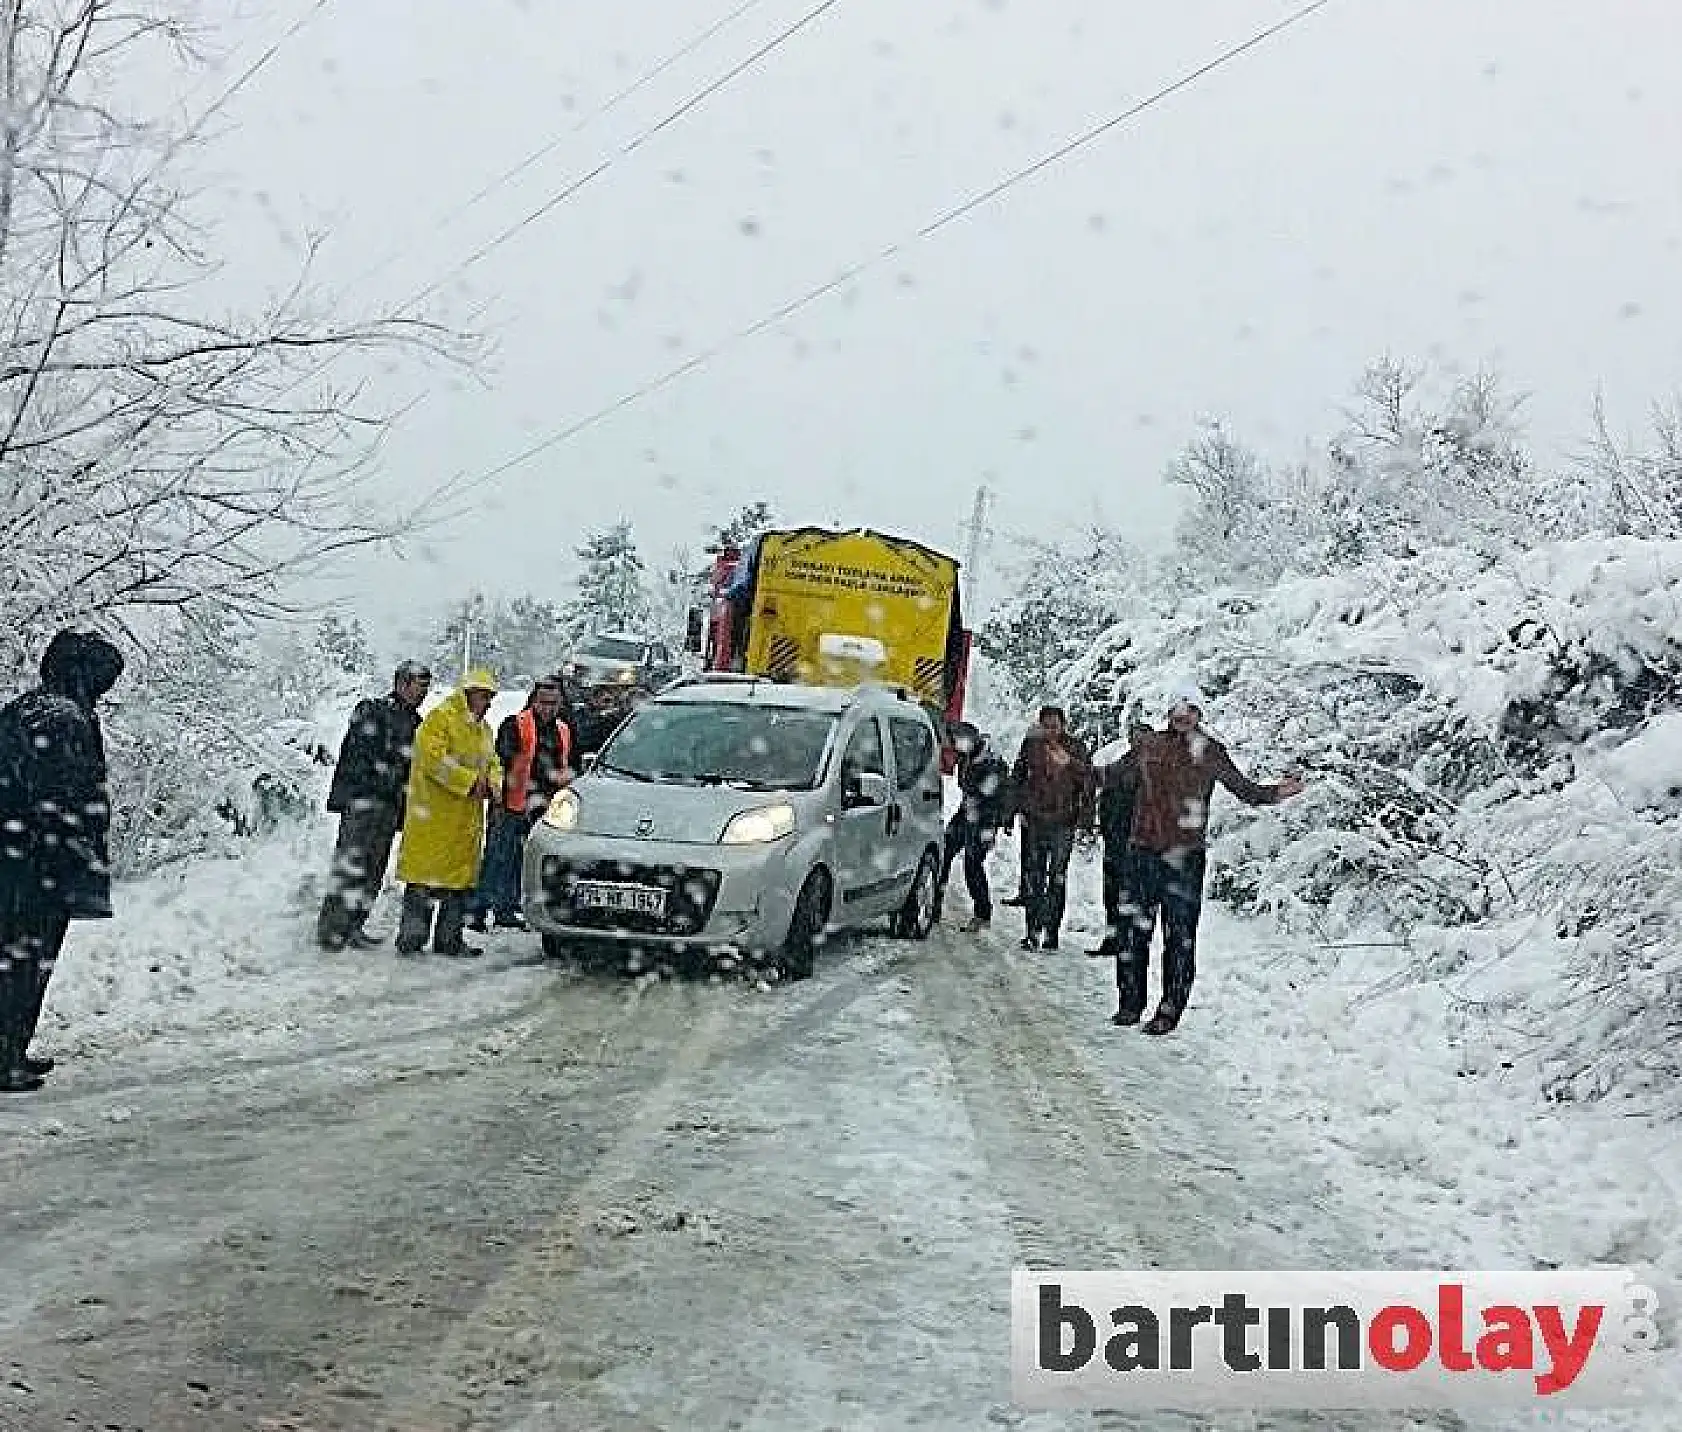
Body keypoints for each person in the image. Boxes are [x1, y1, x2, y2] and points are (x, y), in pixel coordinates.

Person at [1103, 682, 1305, 1035]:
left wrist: (1278, 792)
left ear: (1199, 714)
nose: (1183, 716)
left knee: (1179, 937)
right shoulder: (1148, 747)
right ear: (1168, 713)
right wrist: (1068, 769)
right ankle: (1130, 1004)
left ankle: (1169, 1011)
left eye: (1190, 709)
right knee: (1133, 932)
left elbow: (1245, 791)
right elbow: (1110, 777)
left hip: (1185, 857)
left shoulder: (1211, 752)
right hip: (1142, 852)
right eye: (1177, 709)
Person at [0, 630, 125, 1092]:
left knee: (17, 958)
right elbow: (62, 799)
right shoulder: (63, 719)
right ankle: (5, 1056)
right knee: (26, 961)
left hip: (18, 860)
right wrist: (71, 863)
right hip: (36, 867)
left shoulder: (28, 708)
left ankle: (10, 1050)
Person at [316, 660, 431, 951]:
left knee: (375, 868)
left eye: (426, 687)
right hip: (363, 801)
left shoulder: (416, 723)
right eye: (419, 686)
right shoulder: (373, 710)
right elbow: (357, 754)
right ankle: (332, 930)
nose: (423, 693)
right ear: (401, 683)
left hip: (390, 806)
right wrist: (382, 777)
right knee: (351, 864)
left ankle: (355, 925)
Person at [393, 669, 502, 958]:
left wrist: (493, 783)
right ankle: (411, 941)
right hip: (434, 818)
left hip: (465, 821)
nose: (489, 702)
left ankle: (449, 941)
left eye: (491, 697)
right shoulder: (440, 719)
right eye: (484, 696)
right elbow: (432, 760)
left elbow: (493, 762)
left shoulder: (485, 730)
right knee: (423, 883)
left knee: (458, 886)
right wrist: (469, 782)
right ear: (469, 694)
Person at [466, 677, 574, 933]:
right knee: (496, 858)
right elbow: (499, 762)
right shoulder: (515, 725)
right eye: (543, 702)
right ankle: (477, 909)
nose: (548, 708)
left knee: (519, 862)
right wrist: (499, 796)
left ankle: (506, 908)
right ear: (533, 701)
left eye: (553, 703)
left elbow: (566, 766)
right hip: (509, 804)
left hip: (542, 809)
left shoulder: (564, 730)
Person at [1007, 705, 1094, 951]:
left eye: (1055, 726)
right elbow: (1018, 779)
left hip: (1063, 822)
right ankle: (1032, 930)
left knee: (1056, 879)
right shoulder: (1031, 746)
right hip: (1035, 821)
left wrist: (1086, 821)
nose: (1051, 731)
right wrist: (1012, 813)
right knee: (1034, 876)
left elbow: (1088, 782)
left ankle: (1052, 932)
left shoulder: (1075, 748)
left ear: (1064, 725)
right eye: (1046, 726)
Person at [934, 721, 1011, 932]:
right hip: (967, 810)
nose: (957, 746)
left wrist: (995, 826)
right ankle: (934, 902)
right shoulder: (966, 757)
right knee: (945, 851)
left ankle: (982, 913)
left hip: (986, 817)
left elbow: (1002, 795)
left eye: (960, 741)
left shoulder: (992, 761)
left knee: (973, 863)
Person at [1088, 715, 1152, 958]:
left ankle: (1127, 942)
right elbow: (1106, 796)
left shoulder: (1155, 773)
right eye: (1136, 738)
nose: (1139, 743)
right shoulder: (1122, 764)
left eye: (1144, 738)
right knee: (1112, 895)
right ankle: (1115, 939)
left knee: (1129, 896)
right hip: (1116, 839)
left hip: (1136, 844)